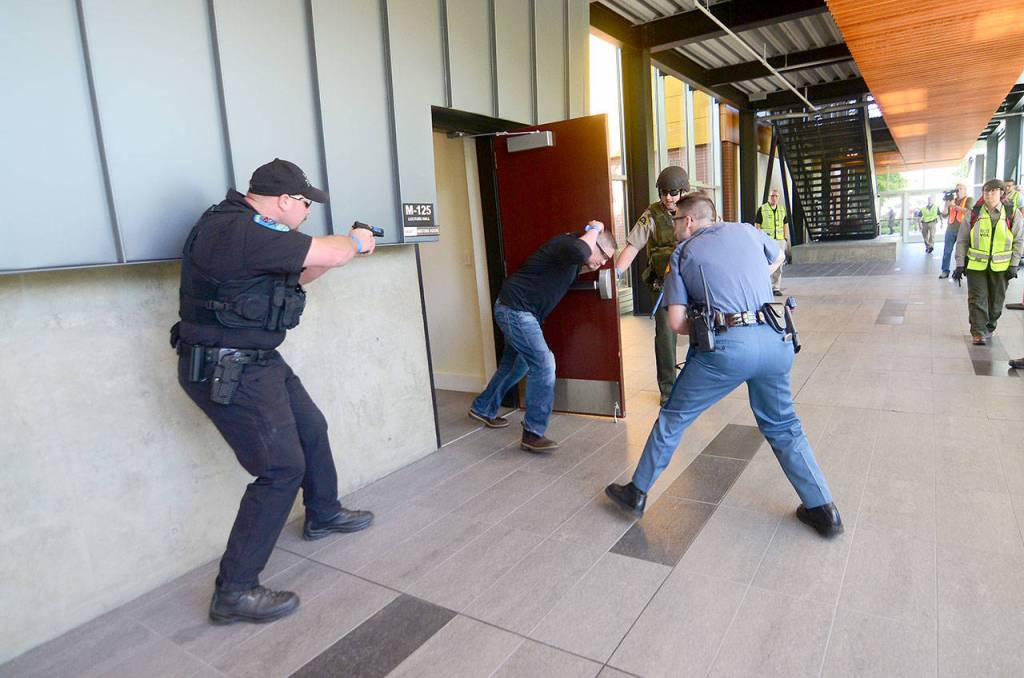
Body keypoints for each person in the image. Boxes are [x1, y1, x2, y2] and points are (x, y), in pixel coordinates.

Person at [170, 158, 379, 625]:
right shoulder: (240, 230)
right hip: (229, 367)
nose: (307, 213)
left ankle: (323, 513)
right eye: (305, 204)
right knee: (282, 468)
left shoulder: (250, 232)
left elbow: (302, 271)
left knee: (311, 427)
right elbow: (336, 251)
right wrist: (356, 241)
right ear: (284, 200)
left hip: (256, 359)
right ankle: (235, 591)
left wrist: (334, 255)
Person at [604, 194, 842, 538]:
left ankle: (636, 492)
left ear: (688, 222)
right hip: (775, 340)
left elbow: (675, 323)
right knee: (784, 425)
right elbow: (778, 256)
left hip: (727, 349)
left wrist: (706, 321)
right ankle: (824, 509)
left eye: (675, 222)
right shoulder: (747, 231)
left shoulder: (683, 254)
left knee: (674, 417)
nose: (672, 228)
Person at [469, 223, 616, 451]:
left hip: (518, 310)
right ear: (591, 241)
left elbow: (582, 262)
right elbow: (581, 251)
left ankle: (483, 407)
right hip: (516, 310)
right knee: (544, 364)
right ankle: (533, 433)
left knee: (517, 366)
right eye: (604, 255)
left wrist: (593, 260)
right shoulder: (567, 245)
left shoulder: (572, 259)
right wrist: (596, 229)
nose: (603, 262)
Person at [613, 166, 690, 405]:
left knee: (704, 333)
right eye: (664, 192)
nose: (668, 197)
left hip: (693, 284)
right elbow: (633, 246)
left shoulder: (695, 208)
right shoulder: (652, 215)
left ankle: (699, 384)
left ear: (684, 191)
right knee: (666, 337)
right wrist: (615, 273)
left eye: (674, 192)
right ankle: (668, 388)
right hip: (664, 287)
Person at [952, 179, 1024, 345]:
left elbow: (1019, 240)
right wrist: (960, 263)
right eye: (986, 191)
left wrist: (1014, 264)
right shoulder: (974, 213)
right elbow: (962, 240)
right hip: (976, 265)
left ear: (1001, 193)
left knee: (996, 302)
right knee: (977, 299)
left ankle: (989, 327)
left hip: (1001, 267)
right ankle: (978, 332)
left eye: (993, 191)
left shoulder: (1012, 213)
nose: (989, 195)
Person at [753, 188, 789, 296]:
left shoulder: (782, 210)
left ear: (778, 198)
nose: (774, 198)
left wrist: (785, 237)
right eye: (772, 196)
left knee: (778, 264)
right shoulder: (762, 209)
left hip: (779, 240)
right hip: (767, 240)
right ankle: (765, 286)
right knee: (766, 263)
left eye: (776, 196)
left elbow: (785, 224)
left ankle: (776, 287)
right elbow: (757, 225)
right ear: (769, 197)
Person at [939, 184, 971, 279]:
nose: (958, 190)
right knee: (947, 251)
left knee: (962, 252)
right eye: (957, 189)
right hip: (950, 229)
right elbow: (944, 215)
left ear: (965, 190)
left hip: (963, 230)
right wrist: (946, 204)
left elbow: (969, 212)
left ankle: (960, 270)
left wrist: (955, 206)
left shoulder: (968, 199)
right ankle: (945, 270)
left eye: (960, 189)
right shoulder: (952, 200)